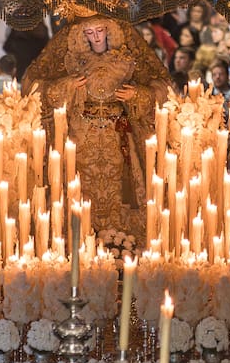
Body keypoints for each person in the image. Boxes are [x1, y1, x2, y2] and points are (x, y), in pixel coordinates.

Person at [23, 15, 170, 237]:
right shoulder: (71, 58)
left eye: (100, 31)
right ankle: (79, 233)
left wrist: (137, 95)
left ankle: (122, 238)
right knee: (79, 182)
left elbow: (162, 87)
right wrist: (67, 86)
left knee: (121, 186)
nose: (96, 37)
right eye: (89, 33)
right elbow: (34, 87)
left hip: (118, 133)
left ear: (109, 31)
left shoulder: (127, 57)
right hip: (81, 136)